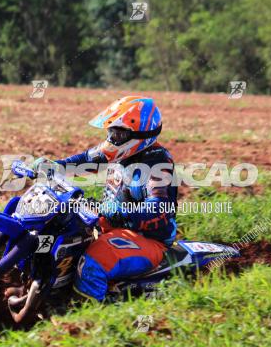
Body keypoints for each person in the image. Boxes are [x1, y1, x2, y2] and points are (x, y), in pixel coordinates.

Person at [34, 96, 177, 301]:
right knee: (61, 231)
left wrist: (119, 212)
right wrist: (56, 166)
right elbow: (86, 160)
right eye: (111, 132)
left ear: (139, 134)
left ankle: (88, 314)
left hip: (147, 239)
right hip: (108, 226)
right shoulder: (118, 150)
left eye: (118, 133)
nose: (112, 139)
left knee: (93, 263)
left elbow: (158, 209)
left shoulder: (157, 165)